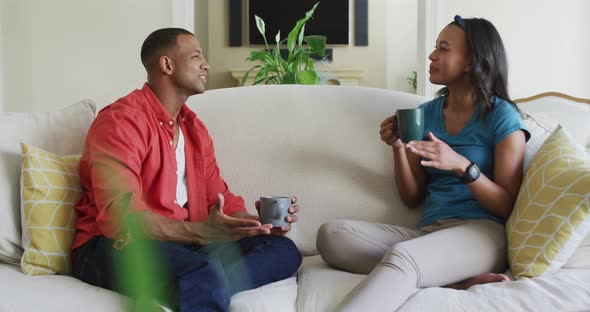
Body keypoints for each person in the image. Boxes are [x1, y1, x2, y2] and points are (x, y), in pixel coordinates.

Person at [71, 28, 302, 312]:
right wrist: (200, 233)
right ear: (167, 65)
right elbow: (122, 218)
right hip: (111, 246)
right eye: (196, 57)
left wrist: (251, 223)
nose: (206, 64)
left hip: (180, 245)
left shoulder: (194, 129)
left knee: (282, 250)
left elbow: (218, 197)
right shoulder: (121, 122)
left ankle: (179, 292)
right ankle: (198, 283)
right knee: (202, 269)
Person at [316, 15, 530, 311]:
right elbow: (411, 196)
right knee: (332, 235)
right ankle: (455, 281)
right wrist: (398, 147)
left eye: (444, 48)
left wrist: (462, 166)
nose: (432, 55)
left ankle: (423, 271)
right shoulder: (424, 113)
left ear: (471, 62)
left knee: (403, 258)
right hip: (430, 232)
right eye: (435, 47)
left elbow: (507, 205)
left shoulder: (502, 117)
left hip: (482, 233)